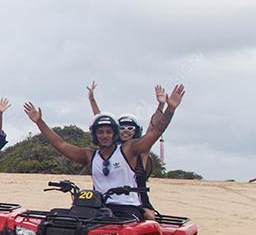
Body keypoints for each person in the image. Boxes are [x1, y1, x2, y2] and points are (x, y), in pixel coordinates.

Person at [24, 84, 185, 220]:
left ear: (115, 133)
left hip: (127, 209)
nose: (105, 135)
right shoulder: (90, 155)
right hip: (97, 207)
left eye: (109, 132)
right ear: (95, 134)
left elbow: (154, 132)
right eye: (100, 132)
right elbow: (61, 144)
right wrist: (40, 122)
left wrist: (170, 108)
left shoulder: (129, 150)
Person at [87, 81, 168, 219]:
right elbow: (100, 121)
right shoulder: (109, 150)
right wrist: (92, 100)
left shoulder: (140, 150)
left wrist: (161, 105)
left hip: (136, 203)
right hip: (103, 202)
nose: (125, 131)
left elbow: (154, 128)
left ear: (136, 131)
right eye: (122, 128)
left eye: (130, 128)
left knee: (149, 218)